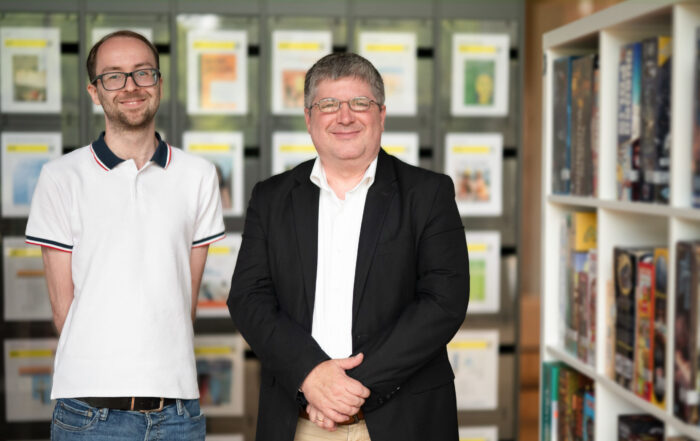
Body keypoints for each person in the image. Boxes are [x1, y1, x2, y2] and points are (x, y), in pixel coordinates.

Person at [228, 52, 469, 441]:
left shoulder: (428, 193)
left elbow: (444, 302)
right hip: (299, 418)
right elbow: (249, 298)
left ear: (381, 115)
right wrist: (311, 376)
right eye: (328, 105)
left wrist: (346, 390)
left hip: (403, 418)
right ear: (309, 118)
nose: (344, 116)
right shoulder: (270, 198)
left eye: (360, 103)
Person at [25, 30, 225, 440]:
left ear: (159, 84)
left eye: (142, 73)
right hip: (88, 414)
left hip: (178, 414)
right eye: (113, 76)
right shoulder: (61, 177)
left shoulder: (199, 176)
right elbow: (64, 312)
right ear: (94, 92)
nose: (130, 86)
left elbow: (184, 301)